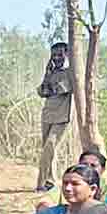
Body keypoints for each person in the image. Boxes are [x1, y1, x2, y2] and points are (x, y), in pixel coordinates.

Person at [37, 150, 107, 211]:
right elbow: (44, 203)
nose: (88, 168)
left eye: (93, 166)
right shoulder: (66, 186)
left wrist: (92, 212)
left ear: (103, 169)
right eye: (84, 164)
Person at [36, 42, 74, 192]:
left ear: (67, 55)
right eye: (54, 55)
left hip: (62, 116)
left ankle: (40, 183)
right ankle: (50, 181)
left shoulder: (71, 72)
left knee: (49, 147)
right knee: (48, 151)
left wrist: (50, 88)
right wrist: (47, 74)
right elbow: (42, 91)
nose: (57, 58)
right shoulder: (51, 72)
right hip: (47, 115)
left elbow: (60, 89)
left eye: (60, 55)